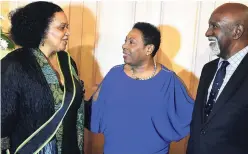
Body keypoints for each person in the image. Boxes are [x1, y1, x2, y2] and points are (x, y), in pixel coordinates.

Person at [186, 3, 248, 154]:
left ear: (237, 31)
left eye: (214, 26)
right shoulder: (208, 69)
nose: (208, 33)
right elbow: (200, 127)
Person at [89, 22, 194, 154]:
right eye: (125, 41)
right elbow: (95, 112)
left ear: (149, 49)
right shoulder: (114, 75)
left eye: (131, 42)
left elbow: (191, 115)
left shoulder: (168, 80)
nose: (124, 46)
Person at [1, 1, 89, 154]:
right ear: (41, 29)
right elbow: (3, 118)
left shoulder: (67, 61)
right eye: (62, 27)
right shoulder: (14, 64)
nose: (68, 32)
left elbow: (73, 107)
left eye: (67, 27)